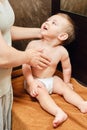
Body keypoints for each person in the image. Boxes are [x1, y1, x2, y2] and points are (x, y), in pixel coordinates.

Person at [22, 13, 87, 128]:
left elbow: (66, 68)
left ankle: (81, 103)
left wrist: (67, 83)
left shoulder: (61, 51)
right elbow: (25, 66)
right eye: (48, 20)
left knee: (61, 83)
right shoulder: (33, 44)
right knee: (40, 91)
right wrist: (31, 82)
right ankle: (58, 112)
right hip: (35, 80)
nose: (47, 22)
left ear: (62, 36)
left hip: (50, 80)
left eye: (54, 23)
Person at [0, 0, 51, 130]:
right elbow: (2, 56)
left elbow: (4, 29)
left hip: (4, 83)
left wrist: (39, 32)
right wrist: (27, 57)